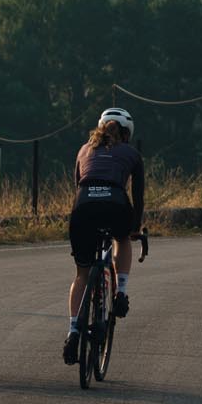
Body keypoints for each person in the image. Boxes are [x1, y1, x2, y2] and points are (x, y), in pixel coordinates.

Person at [63, 106, 144, 366]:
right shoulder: (132, 153)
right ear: (127, 133)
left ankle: (73, 330)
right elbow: (138, 197)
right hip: (116, 205)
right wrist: (135, 228)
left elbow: (78, 185)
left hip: (83, 208)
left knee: (82, 274)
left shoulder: (83, 149)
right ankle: (121, 292)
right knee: (122, 239)